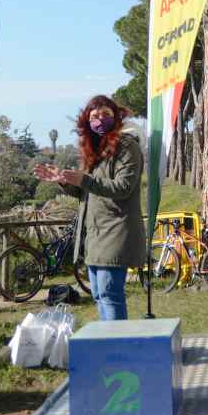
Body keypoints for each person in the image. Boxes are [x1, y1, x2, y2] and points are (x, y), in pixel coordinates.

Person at [34, 96, 145, 320]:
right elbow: (87, 192)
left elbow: (123, 187)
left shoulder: (127, 146)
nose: (100, 120)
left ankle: (116, 341)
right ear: (86, 121)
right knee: (98, 294)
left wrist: (83, 179)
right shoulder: (93, 151)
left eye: (105, 114)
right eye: (94, 116)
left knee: (109, 294)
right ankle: (108, 339)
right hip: (95, 236)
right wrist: (65, 181)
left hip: (116, 232)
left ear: (116, 117)